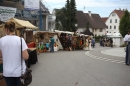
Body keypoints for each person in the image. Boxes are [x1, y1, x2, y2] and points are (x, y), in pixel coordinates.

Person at [0, 21, 29, 86]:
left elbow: (0, 55)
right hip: (19, 72)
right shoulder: (21, 40)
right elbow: (26, 57)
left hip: (7, 72)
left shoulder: (1, 40)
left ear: (6, 29)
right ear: (14, 29)